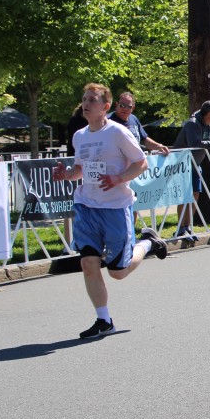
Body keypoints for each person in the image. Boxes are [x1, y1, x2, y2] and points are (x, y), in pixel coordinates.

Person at [51, 83, 167, 339]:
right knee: (88, 263)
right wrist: (67, 175)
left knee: (118, 273)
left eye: (92, 100)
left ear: (105, 107)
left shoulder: (117, 133)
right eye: (84, 99)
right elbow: (80, 169)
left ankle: (148, 243)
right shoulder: (79, 136)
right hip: (87, 205)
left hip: (115, 207)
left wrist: (118, 179)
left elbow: (141, 163)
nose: (86, 104)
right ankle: (103, 320)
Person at [172, 100, 210, 240]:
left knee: (195, 194)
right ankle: (181, 228)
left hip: (196, 163)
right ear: (209, 114)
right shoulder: (192, 123)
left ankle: (188, 226)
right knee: (184, 196)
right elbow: (194, 143)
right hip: (183, 163)